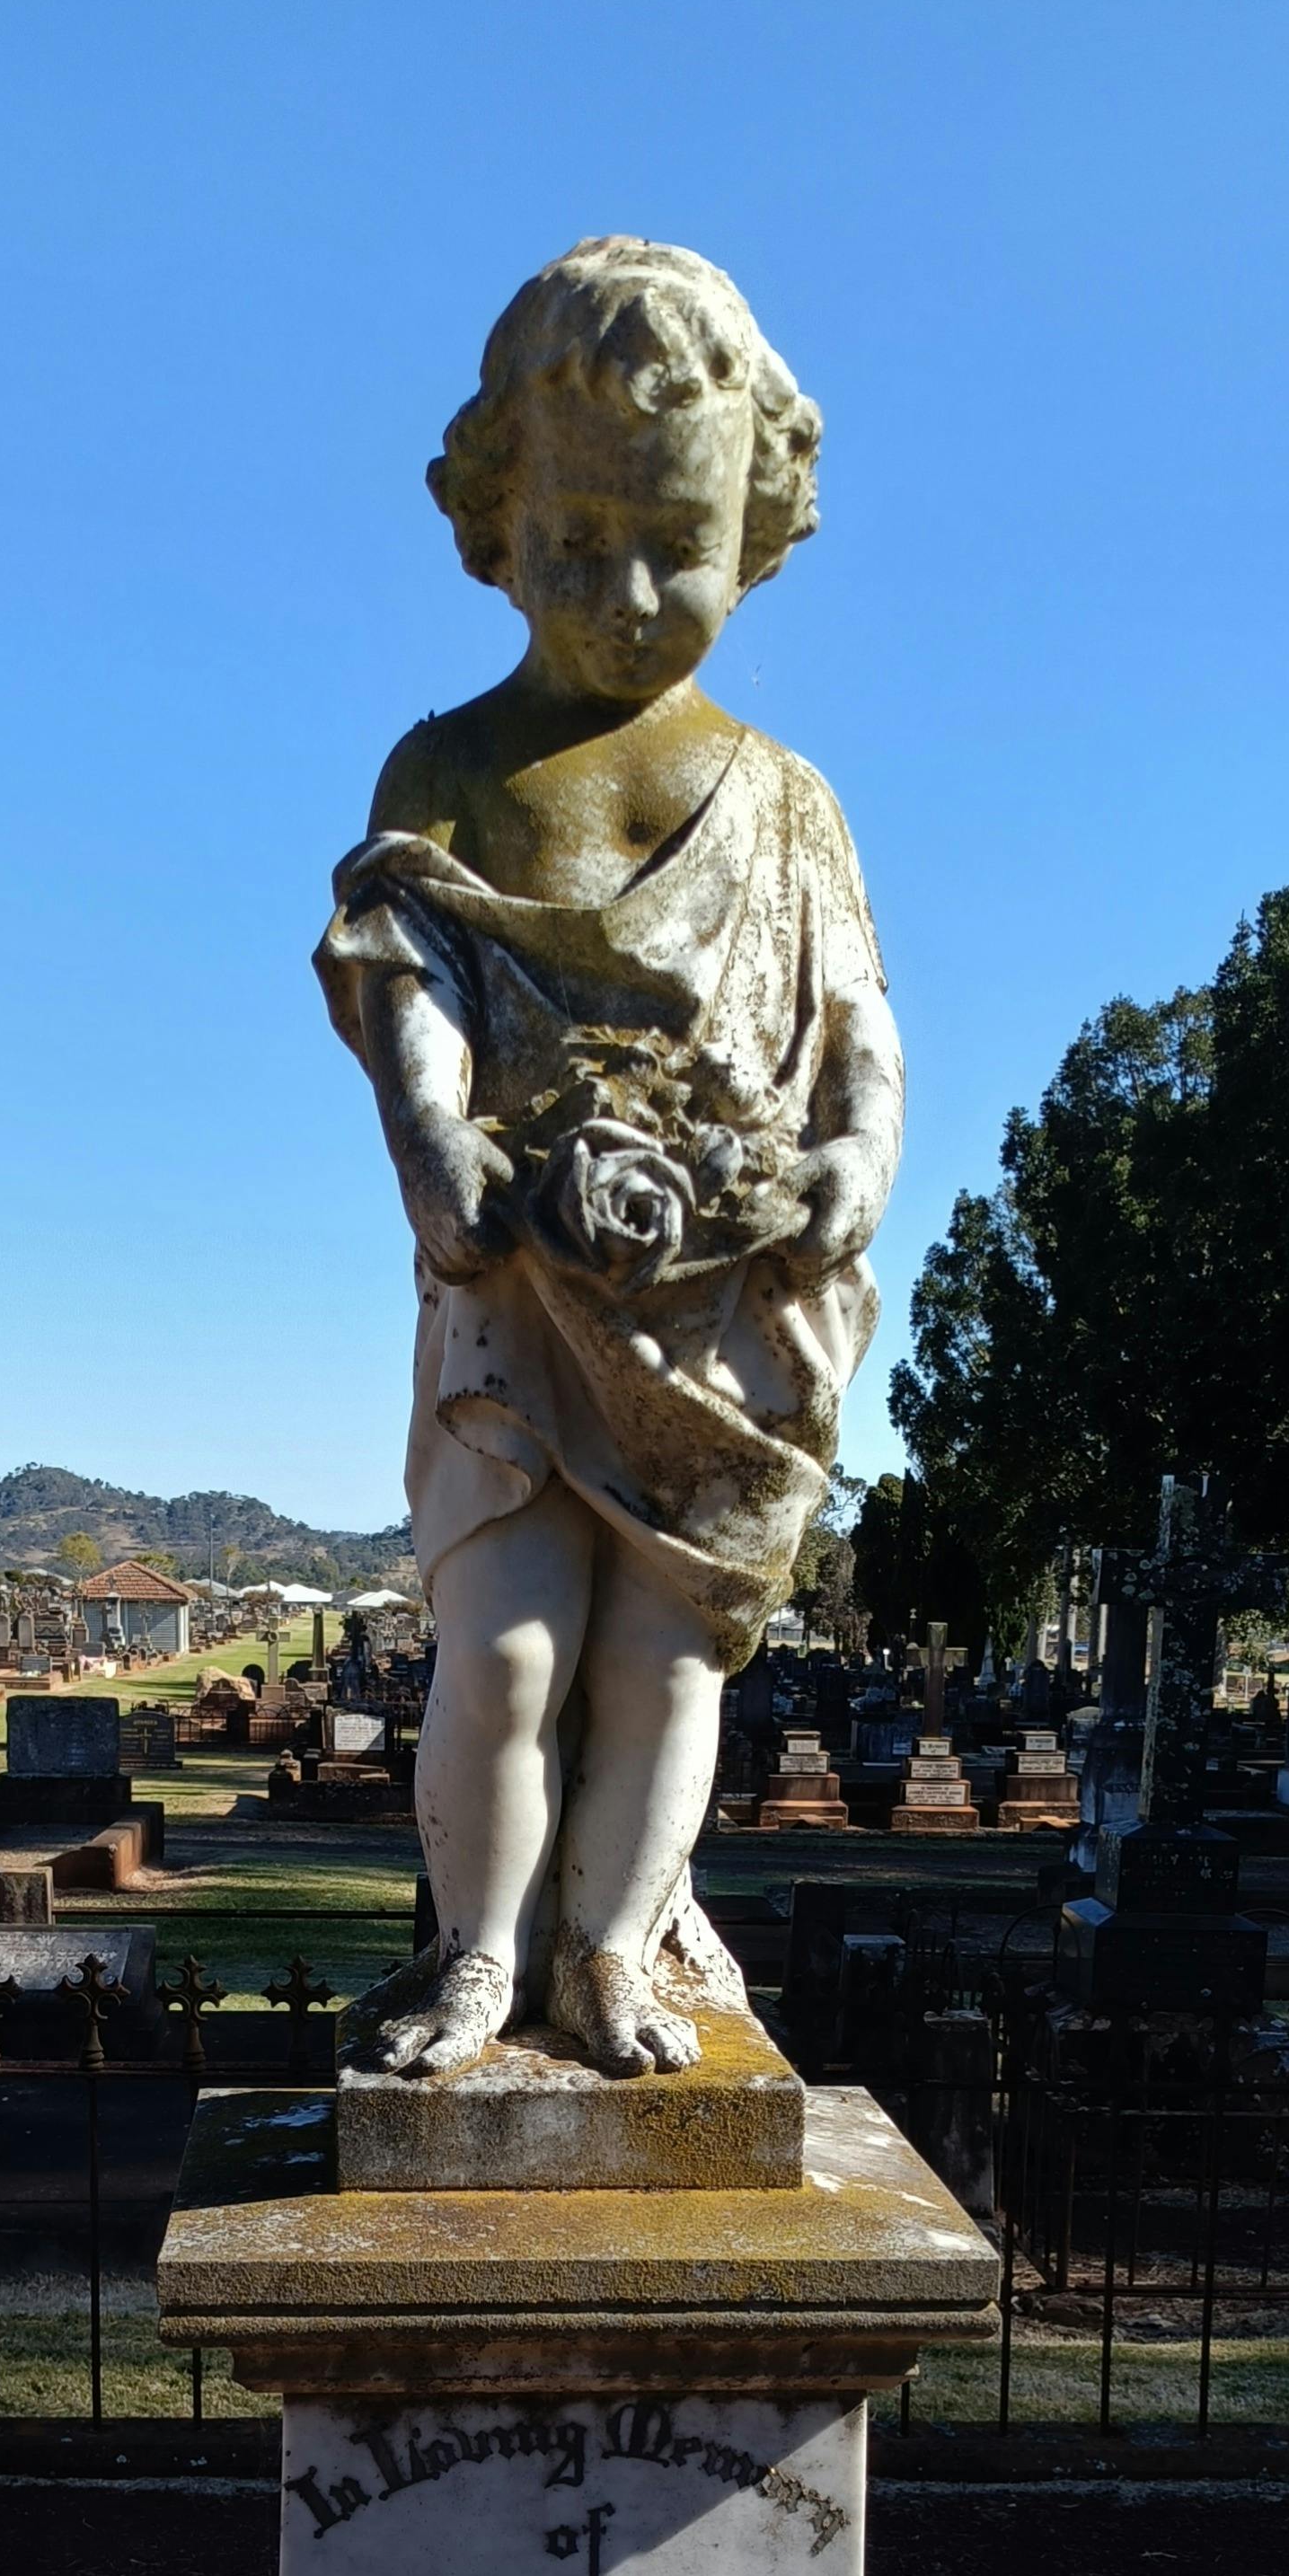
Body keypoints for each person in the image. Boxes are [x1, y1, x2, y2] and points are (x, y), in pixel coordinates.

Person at [317, 238, 902, 2078]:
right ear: (498, 520)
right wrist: (435, 1139)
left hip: (721, 1304)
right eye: (581, 546)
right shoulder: (449, 766)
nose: (634, 593)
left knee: (665, 1661)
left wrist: (846, 1172)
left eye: (682, 546)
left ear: (763, 523)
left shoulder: (790, 799)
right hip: (514, 1280)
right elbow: (401, 971)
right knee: (501, 1653)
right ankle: (476, 1955)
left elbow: (859, 1025)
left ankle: (614, 1948)